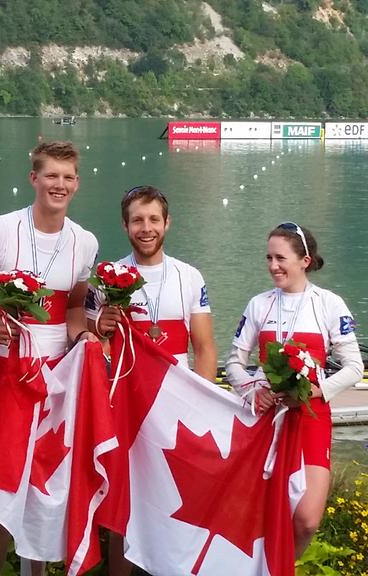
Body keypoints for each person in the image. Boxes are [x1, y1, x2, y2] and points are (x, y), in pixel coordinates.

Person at [0, 140, 99, 576]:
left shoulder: (85, 242)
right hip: (3, 374)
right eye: (51, 176)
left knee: (44, 491)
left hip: (56, 383)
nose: (58, 185)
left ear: (77, 183)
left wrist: (86, 336)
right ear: (34, 178)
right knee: (1, 497)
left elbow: (73, 309)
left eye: (67, 177)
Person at [85, 185, 217, 575]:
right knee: (123, 507)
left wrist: (202, 404)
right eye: (137, 220)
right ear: (125, 226)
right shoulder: (108, 278)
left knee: (176, 501)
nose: (146, 228)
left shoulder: (189, 277)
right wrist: (100, 325)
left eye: (154, 219)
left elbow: (205, 347)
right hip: (125, 405)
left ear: (167, 223)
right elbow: (92, 341)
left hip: (176, 407)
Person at [225, 222, 363, 558]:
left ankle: (282, 565)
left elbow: (354, 368)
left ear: (305, 260)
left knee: (306, 521)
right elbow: (233, 364)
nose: (273, 266)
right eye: (269, 258)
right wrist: (251, 390)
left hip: (311, 416)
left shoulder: (329, 304)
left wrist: (316, 391)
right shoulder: (259, 305)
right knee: (258, 516)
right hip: (265, 419)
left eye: (281, 258)